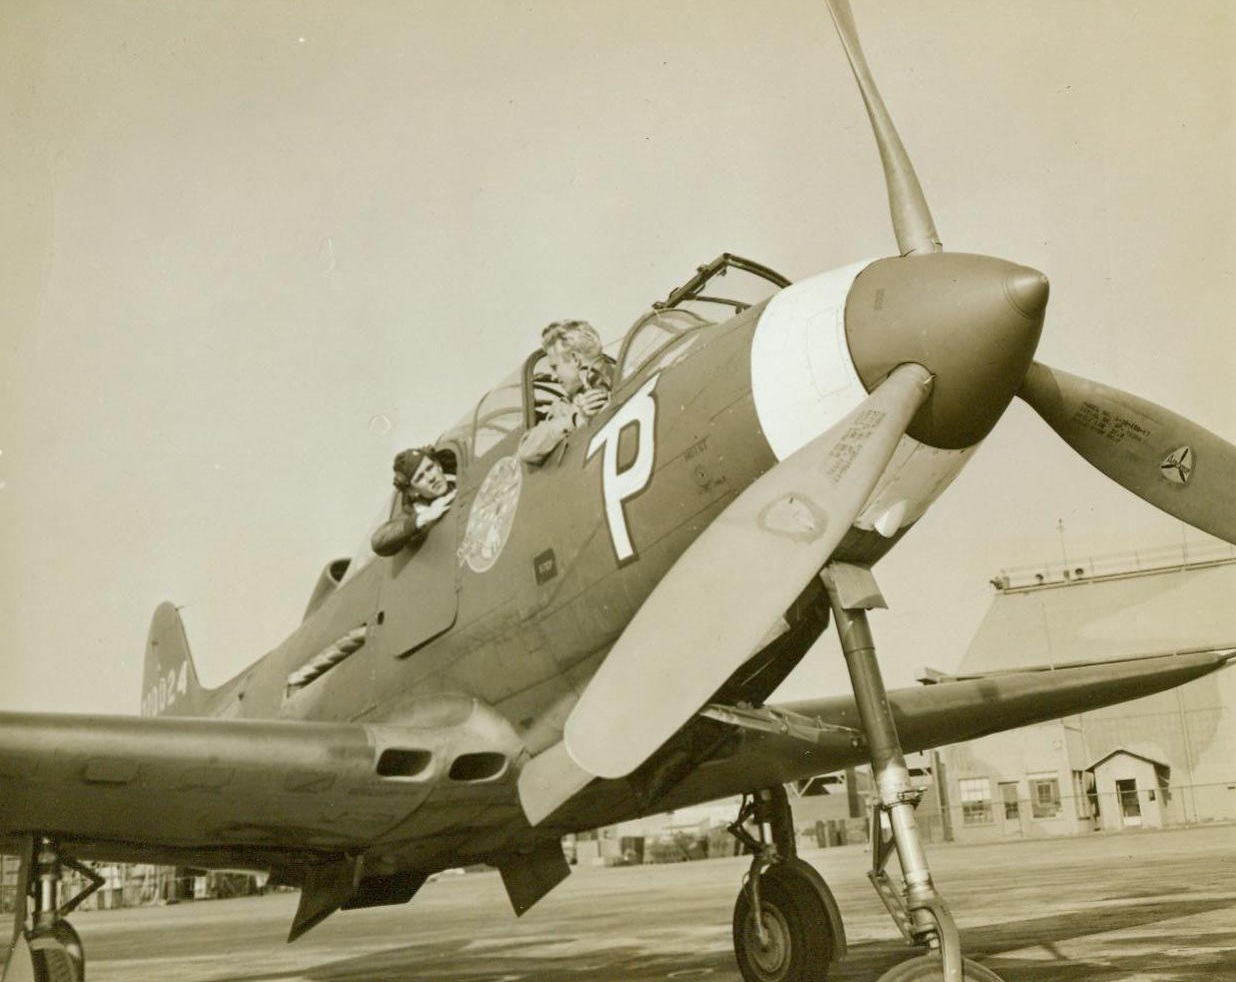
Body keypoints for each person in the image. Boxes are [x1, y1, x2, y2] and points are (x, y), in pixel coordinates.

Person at [518, 319, 615, 465]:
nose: (553, 376)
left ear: (575, 359)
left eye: (555, 367)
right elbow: (527, 450)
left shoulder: (628, 374)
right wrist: (577, 418)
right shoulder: (564, 407)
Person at [371, 447, 456, 556]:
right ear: (412, 490)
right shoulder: (415, 511)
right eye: (420, 477)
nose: (431, 478)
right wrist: (425, 516)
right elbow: (378, 541)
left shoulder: (460, 478)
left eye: (430, 468)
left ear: (438, 465)